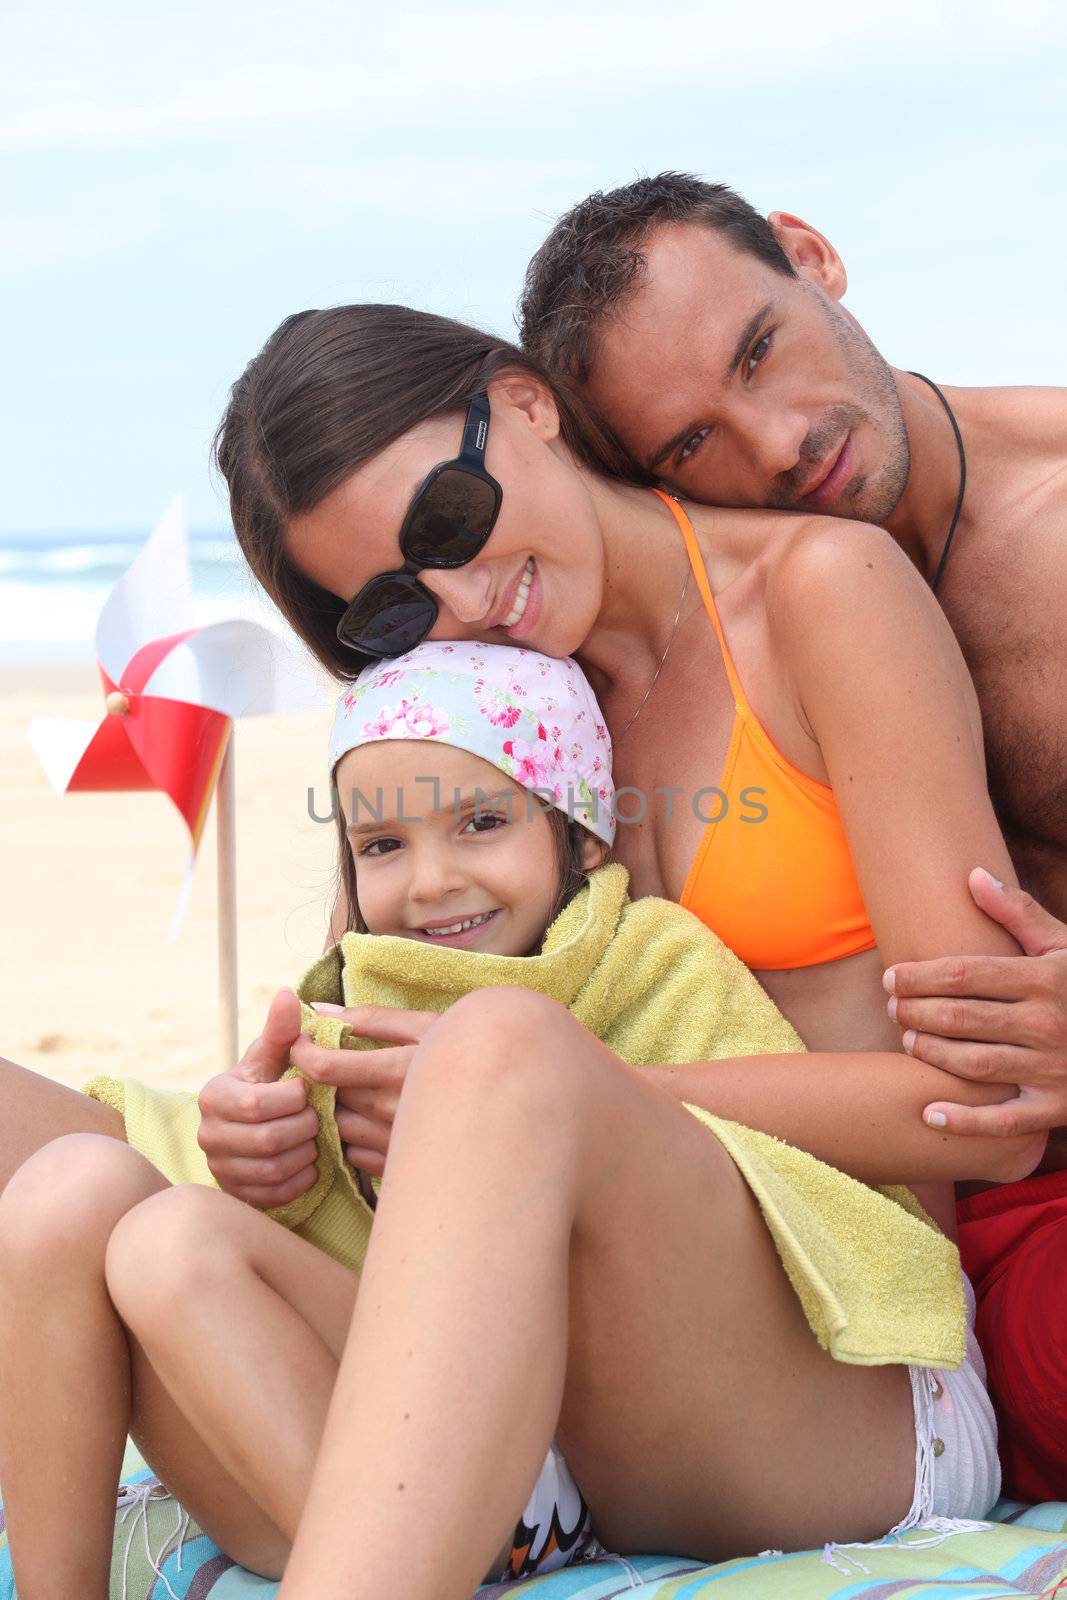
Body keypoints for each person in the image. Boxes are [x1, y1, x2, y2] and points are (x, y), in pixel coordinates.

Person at [0, 645, 1011, 1592]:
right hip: (515, 1461)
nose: (431, 879)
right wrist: (279, 1168)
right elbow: (388, 1281)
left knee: (498, 1044)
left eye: (480, 822)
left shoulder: (645, 963)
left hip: (817, 1411)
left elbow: (790, 1209)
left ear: (576, 831)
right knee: (111, 1209)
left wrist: (504, 1115)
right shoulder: (345, 1005)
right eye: (384, 844)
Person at [517, 173, 1067, 1497]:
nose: (771, 447)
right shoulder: (724, 646)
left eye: (756, 351)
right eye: (688, 445)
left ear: (811, 258)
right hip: (974, 1235)